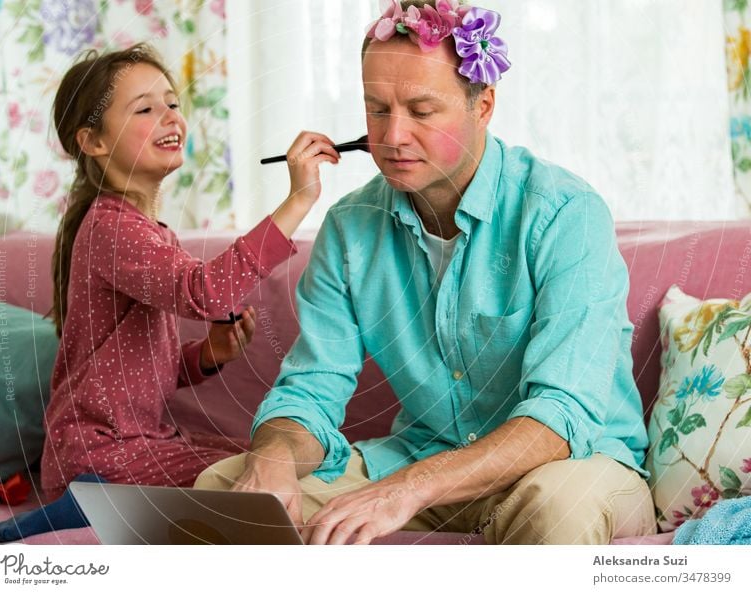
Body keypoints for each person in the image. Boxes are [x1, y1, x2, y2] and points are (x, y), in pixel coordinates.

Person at [194, 1, 656, 545]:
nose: (392, 137)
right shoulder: (348, 229)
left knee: (558, 507)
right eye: (376, 109)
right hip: (424, 460)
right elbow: (311, 391)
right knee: (225, 487)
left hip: (572, 465)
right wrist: (272, 456)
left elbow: (561, 413)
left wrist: (410, 488)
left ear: (482, 105)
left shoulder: (566, 214)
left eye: (421, 109)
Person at [0, 43, 340, 542]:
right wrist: (300, 199)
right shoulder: (113, 229)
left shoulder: (144, 231)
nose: (169, 115)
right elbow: (209, 293)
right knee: (255, 479)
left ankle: (89, 500)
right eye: (145, 108)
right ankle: (84, 502)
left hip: (121, 446)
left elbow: (135, 369)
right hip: (102, 452)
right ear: (92, 141)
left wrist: (208, 355)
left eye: (173, 103)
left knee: (255, 460)